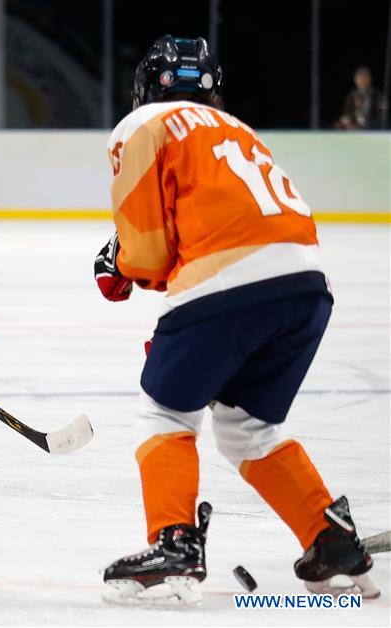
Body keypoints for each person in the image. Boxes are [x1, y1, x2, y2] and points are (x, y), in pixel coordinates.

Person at [94, 35, 378, 606]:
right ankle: (332, 542)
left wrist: (119, 264)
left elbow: (147, 254)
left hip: (226, 283)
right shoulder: (240, 131)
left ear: (144, 88)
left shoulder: (142, 124)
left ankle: (175, 544)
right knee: (247, 428)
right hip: (305, 287)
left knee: (165, 411)